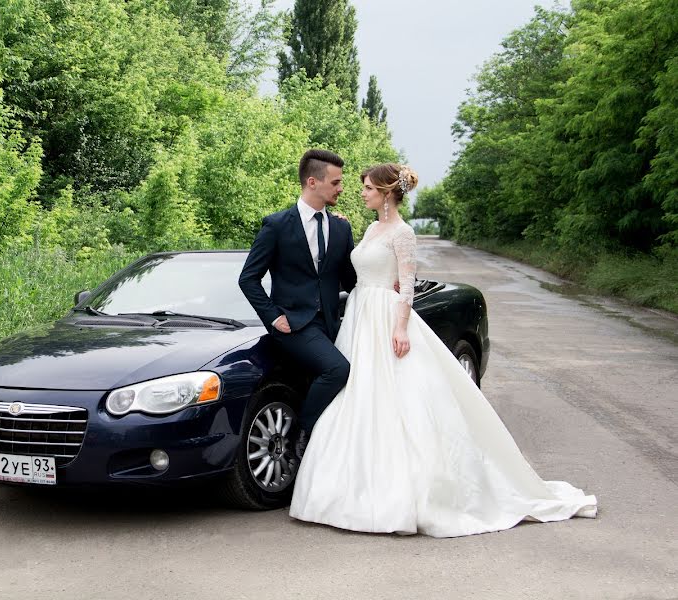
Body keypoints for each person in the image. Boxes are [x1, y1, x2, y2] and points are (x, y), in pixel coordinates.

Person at [289, 162, 597, 537]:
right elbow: (359, 268)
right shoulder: (371, 228)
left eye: (369, 188)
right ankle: (345, 490)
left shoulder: (403, 233)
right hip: (359, 319)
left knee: (396, 402)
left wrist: (401, 328)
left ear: (387, 193)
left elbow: (405, 286)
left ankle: (401, 496)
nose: (363, 193)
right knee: (357, 397)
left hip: (385, 318)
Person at [238, 149, 357, 456]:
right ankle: (301, 436)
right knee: (338, 369)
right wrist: (272, 316)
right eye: (336, 182)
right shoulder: (277, 225)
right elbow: (248, 278)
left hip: (331, 323)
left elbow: (349, 280)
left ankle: (327, 455)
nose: (341, 188)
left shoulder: (341, 227)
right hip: (292, 324)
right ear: (313, 182)